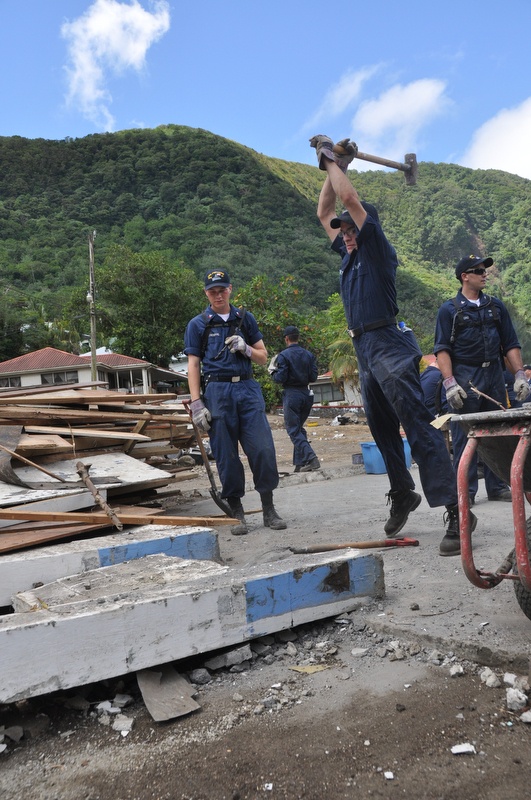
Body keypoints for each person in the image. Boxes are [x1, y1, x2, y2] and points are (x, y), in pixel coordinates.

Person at [310, 134, 473, 555]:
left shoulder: (377, 251)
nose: (345, 233)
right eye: (342, 232)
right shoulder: (347, 259)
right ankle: (403, 491)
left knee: (418, 427)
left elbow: (347, 201)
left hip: (389, 342)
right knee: (382, 430)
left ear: (366, 229)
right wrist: (336, 165)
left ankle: (458, 511)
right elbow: (324, 209)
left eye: (351, 229)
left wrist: (330, 157)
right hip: (364, 349)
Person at [184, 269, 286, 535]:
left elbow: (264, 357)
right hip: (217, 391)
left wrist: (247, 348)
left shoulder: (245, 319)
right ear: (206, 294)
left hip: (248, 388)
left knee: (262, 449)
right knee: (227, 455)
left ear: (230, 289)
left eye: (222, 289)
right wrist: (196, 403)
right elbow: (193, 364)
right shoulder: (198, 324)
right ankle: (238, 512)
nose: (218, 295)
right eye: (212, 291)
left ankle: (269, 509)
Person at [434, 254, 530, 509]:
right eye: (478, 271)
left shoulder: (495, 307)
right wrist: (449, 382)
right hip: (466, 377)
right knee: (465, 434)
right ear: (465, 276)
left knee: (498, 433)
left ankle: (497, 486)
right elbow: (442, 349)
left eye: (484, 270)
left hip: (494, 376)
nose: (484, 274)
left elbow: (510, 343)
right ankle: (466, 494)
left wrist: (519, 374)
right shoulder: (450, 310)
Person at [269, 325, 320, 472]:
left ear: (286, 339)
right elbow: (314, 377)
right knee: (299, 429)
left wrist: (272, 373)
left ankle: (312, 458)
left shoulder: (283, 356)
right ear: (298, 337)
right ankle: (300, 464)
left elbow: (280, 378)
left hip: (292, 395)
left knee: (293, 430)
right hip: (306, 394)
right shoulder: (308, 355)